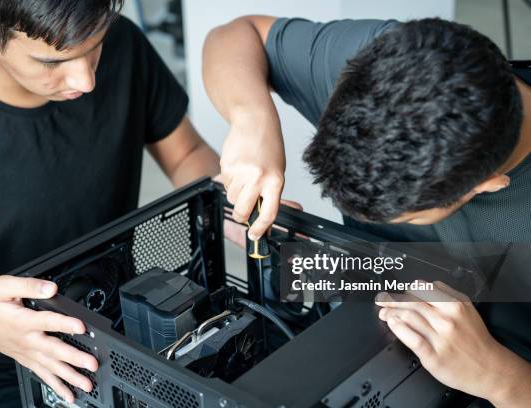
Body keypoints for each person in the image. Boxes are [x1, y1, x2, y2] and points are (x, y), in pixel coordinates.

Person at [203, 16, 531, 407]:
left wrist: (501, 378)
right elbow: (237, 36)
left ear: (485, 186)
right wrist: (252, 120)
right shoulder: (390, 65)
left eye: (405, 218)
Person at [0, 0, 221, 405]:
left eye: (94, 47)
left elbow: (186, 153)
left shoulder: (123, 43)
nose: (87, 79)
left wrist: (233, 207)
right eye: (50, 62)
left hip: (115, 335)